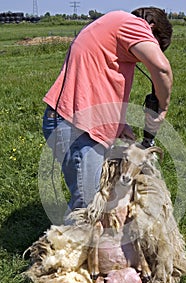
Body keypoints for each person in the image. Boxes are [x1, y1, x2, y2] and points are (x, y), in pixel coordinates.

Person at [42, 7, 173, 214]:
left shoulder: (114, 27)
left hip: (76, 124)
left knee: (91, 201)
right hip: (76, 127)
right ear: (152, 28)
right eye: (154, 45)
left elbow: (98, 82)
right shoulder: (134, 24)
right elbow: (162, 68)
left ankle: (75, 241)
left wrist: (119, 122)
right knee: (88, 207)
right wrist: (162, 107)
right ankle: (60, 244)